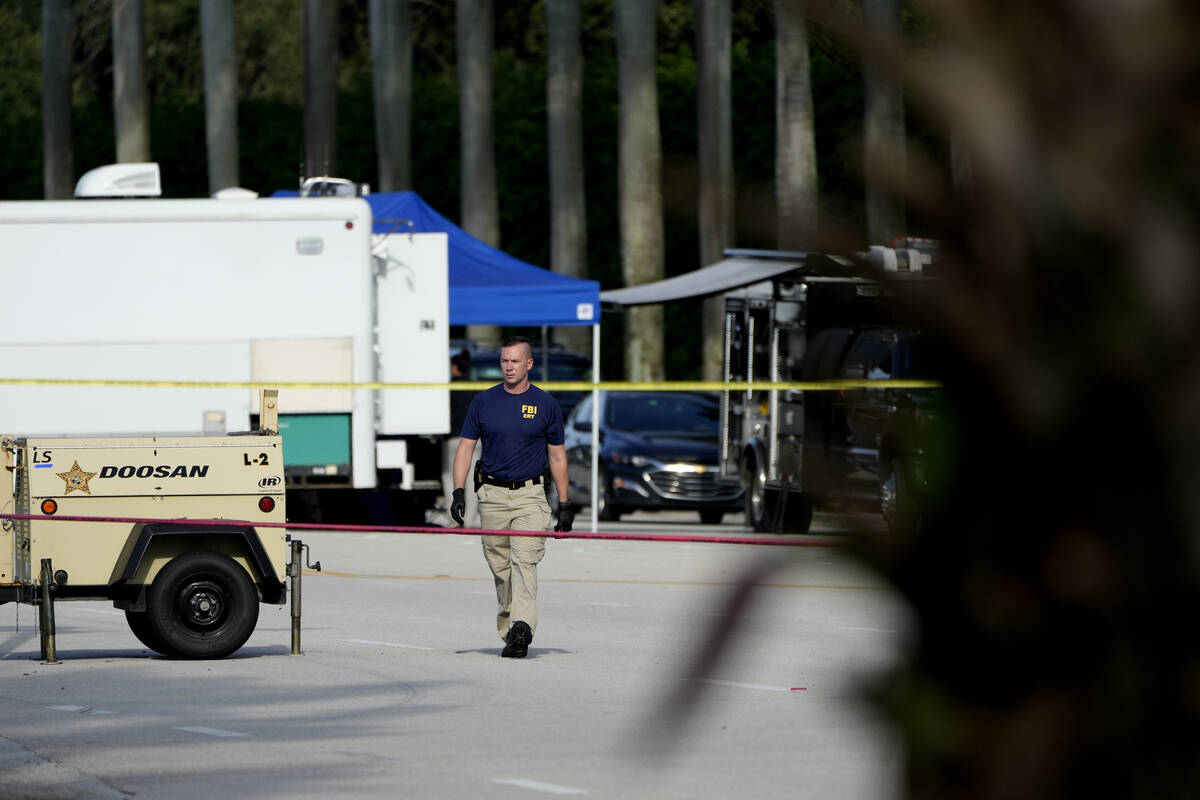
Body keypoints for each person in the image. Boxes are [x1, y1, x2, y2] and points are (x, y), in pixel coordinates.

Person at [450, 335, 574, 658]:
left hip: (531, 496)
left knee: (524, 561)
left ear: (529, 364)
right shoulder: (483, 402)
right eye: (504, 361)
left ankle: (523, 626)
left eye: (515, 361)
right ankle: (510, 629)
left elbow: (558, 456)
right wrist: (458, 490)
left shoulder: (546, 405)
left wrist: (565, 502)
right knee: (500, 566)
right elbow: (465, 448)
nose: (509, 367)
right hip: (491, 494)